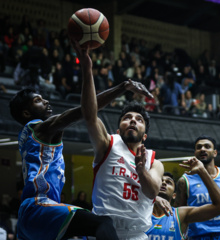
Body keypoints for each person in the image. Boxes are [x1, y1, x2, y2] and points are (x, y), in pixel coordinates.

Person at [8, 40, 146, 240]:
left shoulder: (31, 135)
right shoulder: (40, 127)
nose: (46, 101)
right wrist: (123, 87)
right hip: (39, 206)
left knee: (83, 235)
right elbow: (87, 110)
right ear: (27, 112)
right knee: (103, 223)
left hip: (31, 215)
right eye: (38, 100)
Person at [80, 40, 164, 239]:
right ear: (119, 129)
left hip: (137, 234)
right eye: (127, 118)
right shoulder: (107, 144)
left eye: (139, 119)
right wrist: (87, 66)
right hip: (103, 230)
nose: (133, 121)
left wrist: (141, 169)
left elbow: (152, 192)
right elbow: (89, 114)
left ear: (145, 135)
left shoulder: (154, 162)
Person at [174, 135, 220, 240]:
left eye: (207, 146)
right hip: (197, 236)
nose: (202, 149)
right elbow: (178, 216)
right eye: (199, 147)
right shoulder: (185, 180)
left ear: (215, 153)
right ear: (195, 153)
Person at [146, 158, 220, 240]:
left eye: (169, 182)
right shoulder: (140, 210)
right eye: (160, 181)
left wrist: (202, 172)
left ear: (174, 195)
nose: (164, 183)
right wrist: (154, 198)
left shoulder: (180, 214)